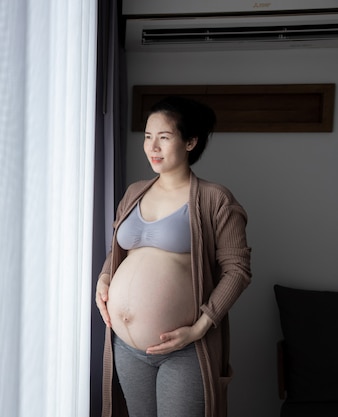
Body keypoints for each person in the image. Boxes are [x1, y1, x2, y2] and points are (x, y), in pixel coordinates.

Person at [95, 96, 251, 417]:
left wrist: (200, 327)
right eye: (148, 136)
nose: (153, 147)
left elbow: (237, 270)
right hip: (127, 347)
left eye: (164, 138)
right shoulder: (135, 191)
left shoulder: (214, 199)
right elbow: (118, 250)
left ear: (190, 142)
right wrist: (105, 278)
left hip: (182, 349)